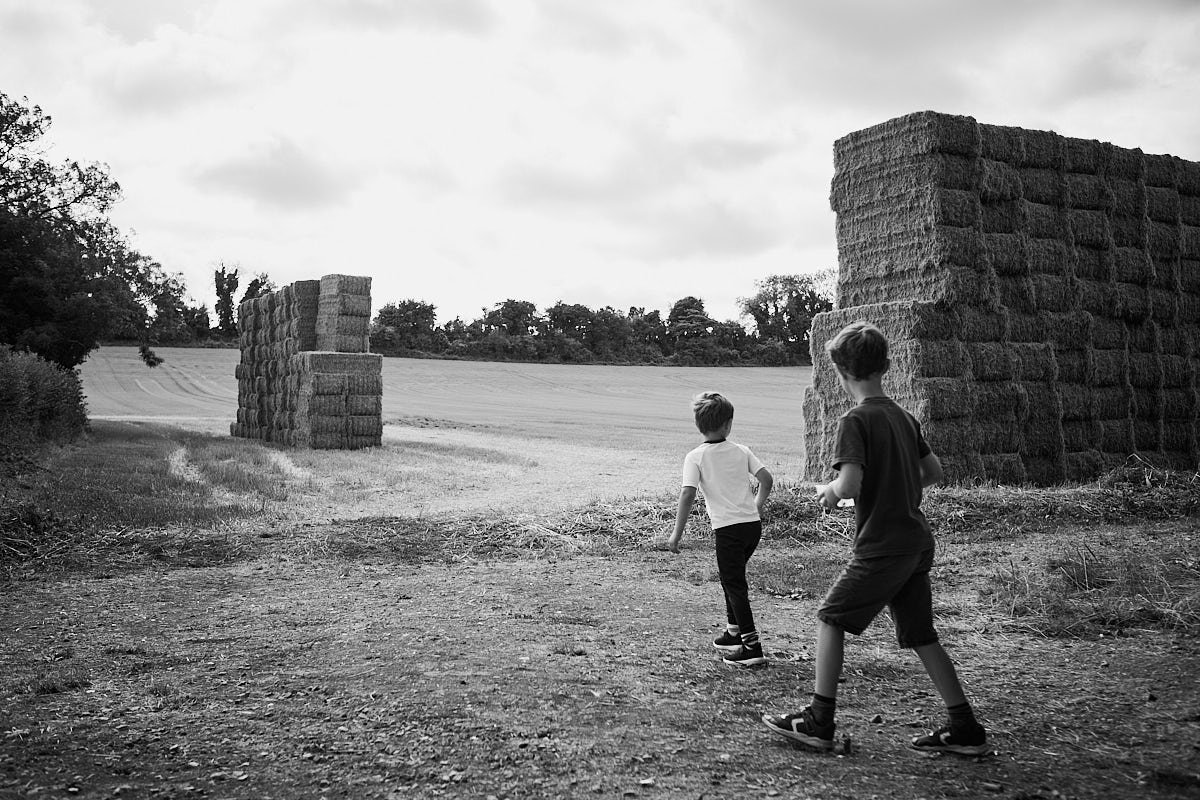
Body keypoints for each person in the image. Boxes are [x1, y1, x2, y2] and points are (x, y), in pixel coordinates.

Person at [762, 321, 987, 755]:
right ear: (886, 365)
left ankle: (818, 720)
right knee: (922, 634)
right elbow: (933, 473)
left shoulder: (855, 420)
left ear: (839, 372)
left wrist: (828, 493)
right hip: (916, 540)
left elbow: (847, 486)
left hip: (883, 545)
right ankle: (965, 728)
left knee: (831, 618)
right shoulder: (903, 416)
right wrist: (899, 485)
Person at [667, 391, 774, 667]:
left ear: (698, 425)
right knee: (731, 578)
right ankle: (733, 631)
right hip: (752, 527)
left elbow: (687, 495)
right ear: (728, 424)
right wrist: (757, 505)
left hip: (728, 530)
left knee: (734, 583)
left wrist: (676, 534)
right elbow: (766, 479)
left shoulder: (695, 457)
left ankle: (752, 647)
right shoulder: (742, 450)